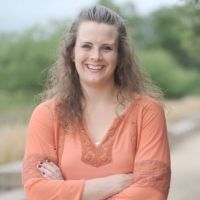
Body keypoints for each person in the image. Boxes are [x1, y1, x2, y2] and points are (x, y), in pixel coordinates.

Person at [22, 5, 171, 200]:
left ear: (120, 56)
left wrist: (65, 189)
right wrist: (110, 185)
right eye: (86, 46)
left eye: (107, 48)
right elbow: (36, 192)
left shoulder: (147, 112)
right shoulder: (46, 115)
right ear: (71, 53)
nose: (95, 56)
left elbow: (151, 193)